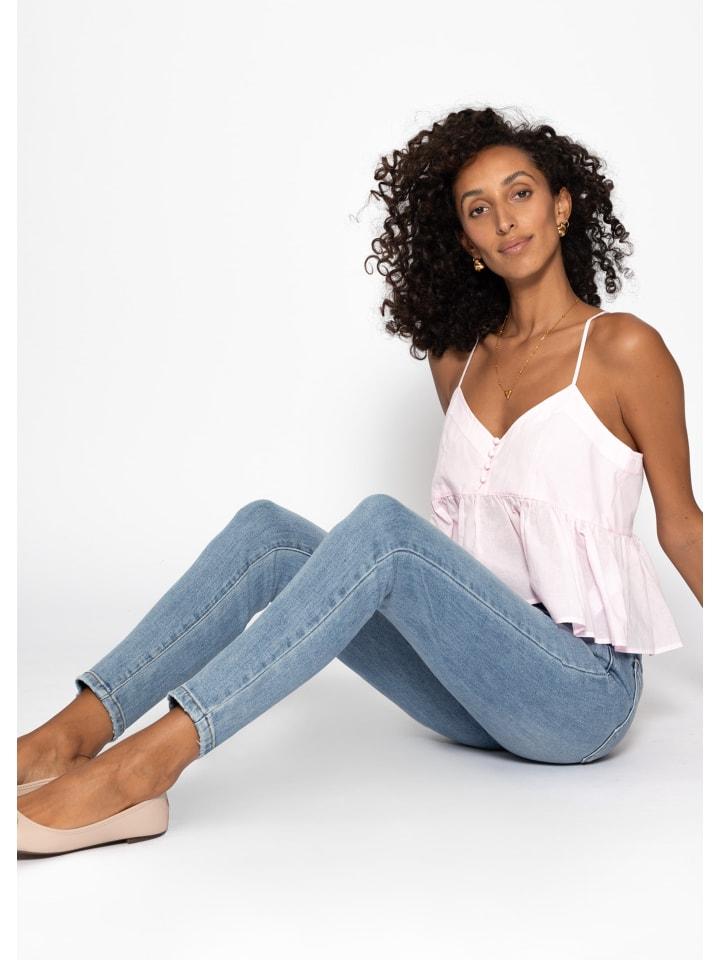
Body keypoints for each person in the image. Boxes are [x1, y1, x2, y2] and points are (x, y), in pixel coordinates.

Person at [17, 106, 702, 858]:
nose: (505, 219)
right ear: (466, 242)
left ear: (561, 205)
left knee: (383, 530)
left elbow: (683, 526)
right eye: (478, 209)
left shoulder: (624, 348)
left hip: (579, 696)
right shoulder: (460, 359)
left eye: (520, 193)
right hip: (474, 691)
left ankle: (141, 770)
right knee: (268, 533)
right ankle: (66, 738)